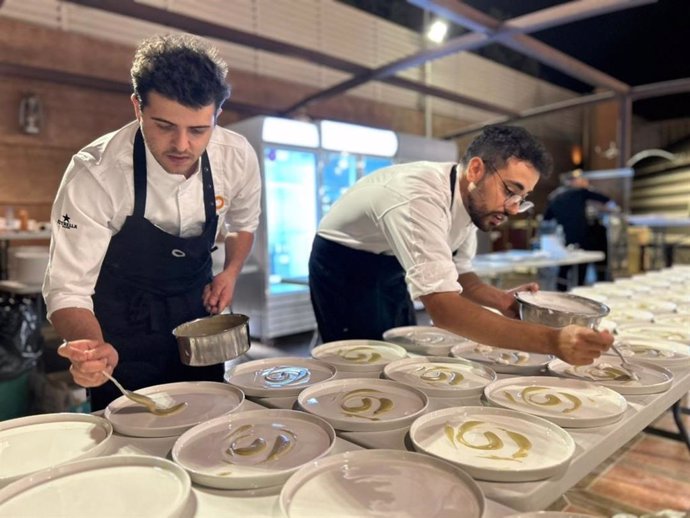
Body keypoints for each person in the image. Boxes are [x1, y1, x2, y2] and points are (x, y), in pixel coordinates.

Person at [45, 34, 262, 410]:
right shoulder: (97, 173)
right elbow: (67, 288)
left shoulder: (236, 156)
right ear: (137, 107)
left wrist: (229, 272)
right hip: (121, 321)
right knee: (129, 433)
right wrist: (93, 349)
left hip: (197, 317)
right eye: (164, 126)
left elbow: (245, 222)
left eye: (198, 130)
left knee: (209, 418)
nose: (182, 145)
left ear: (217, 116)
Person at [309, 125, 612, 365]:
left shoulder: (471, 199)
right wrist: (553, 341)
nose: (511, 208)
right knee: (361, 357)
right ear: (476, 170)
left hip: (390, 265)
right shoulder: (419, 196)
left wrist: (502, 301)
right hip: (345, 265)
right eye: (510, 190)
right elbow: (445, 311)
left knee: (398, 348)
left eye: (521, 199)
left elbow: (460, 274)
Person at [543, 169, 617, 290]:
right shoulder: (580, 192)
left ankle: (561, 290)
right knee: (582, 264)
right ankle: (580, 290)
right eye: (582, 179)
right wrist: (612, 208)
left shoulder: (554, 196)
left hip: (564, 237)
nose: (585, 182)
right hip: (582, 235)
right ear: (572, 181)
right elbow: (606, 200)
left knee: (565, 265)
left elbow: (547, 218)